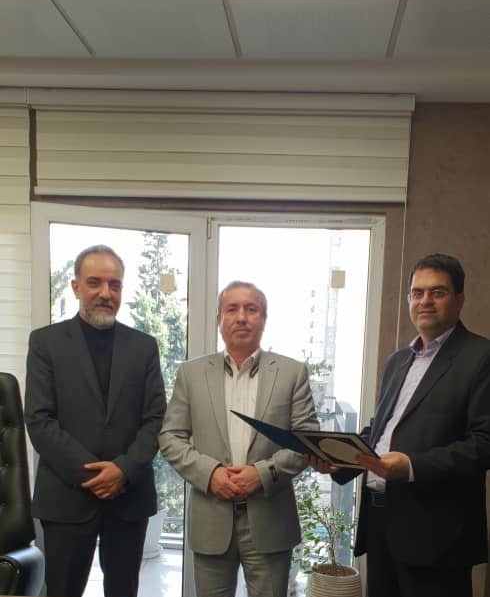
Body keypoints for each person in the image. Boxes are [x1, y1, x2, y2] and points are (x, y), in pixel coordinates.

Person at [311, 253, 490, 597]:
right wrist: (339, 460)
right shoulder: (397, 361)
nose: (425, 301)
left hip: (437, 535)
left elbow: (484, 443)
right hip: (381, 524)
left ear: (459, 300)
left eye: (437, 292)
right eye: (417, 293)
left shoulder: (480, 357)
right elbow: (380, 430)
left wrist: (410, 466)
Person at [159, 280, 318, 597]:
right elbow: (170, 437)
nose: (242, 317)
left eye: (251, 309)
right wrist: (211, 474)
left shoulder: (292, 373)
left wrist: (262, 473)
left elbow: (307, 440)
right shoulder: (191, 374)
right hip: (211, 517)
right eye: (232, 309)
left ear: (264, 319)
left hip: (271, 519)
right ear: (219, 319)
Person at [25, 245, 166, 597]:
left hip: (129, 496)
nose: (106, 293)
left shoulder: (144, 347)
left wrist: (122, 470)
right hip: (66, 497)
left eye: (114, 284)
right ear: (76, 287)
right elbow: (39, 419)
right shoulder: (45, 342)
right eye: (95, 282)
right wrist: (94, 475)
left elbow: (156, 420)